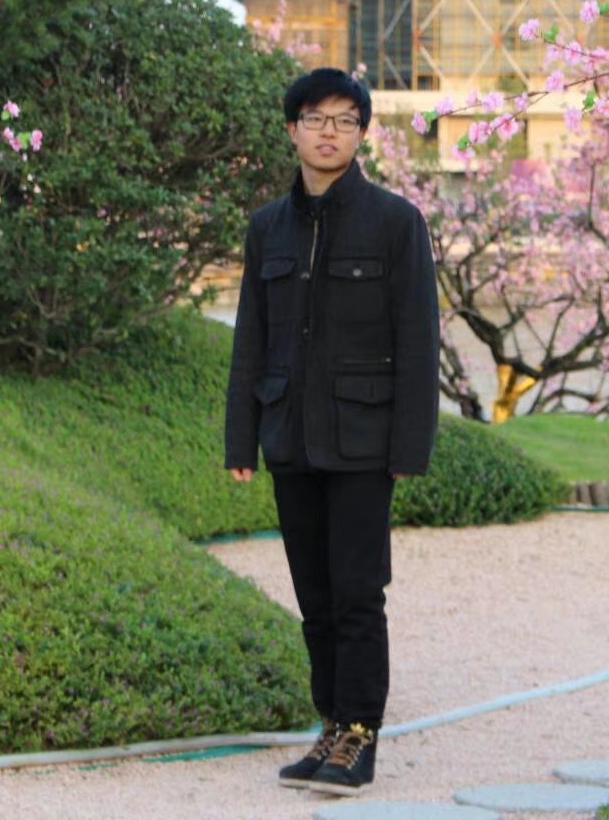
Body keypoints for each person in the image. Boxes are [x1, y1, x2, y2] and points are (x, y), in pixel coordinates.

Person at [224, 67, 439, 796]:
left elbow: (418, 339)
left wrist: (409, 446)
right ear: (292, 129)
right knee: (314, 597)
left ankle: (360, 734)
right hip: (290, 436)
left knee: (357, 591)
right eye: (316, 118)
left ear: (360, 134)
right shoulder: (267, 228)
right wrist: (241, 439)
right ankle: (331, 726)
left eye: (345, 121)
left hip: (363, 441)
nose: (329, 132)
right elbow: (251, 339)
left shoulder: (395, 222)